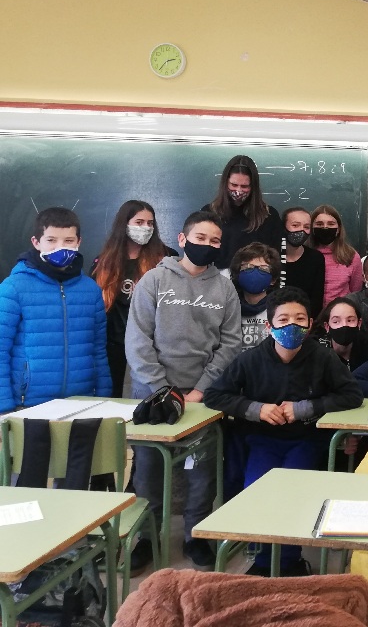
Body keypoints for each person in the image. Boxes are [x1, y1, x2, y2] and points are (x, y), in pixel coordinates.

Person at [205, 287, 364, 576]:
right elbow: (215, 395)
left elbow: (352, 395)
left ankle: (288, 561)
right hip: (262, 440)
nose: (292, 325)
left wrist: (305, 408)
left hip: (305, 440)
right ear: (269, 326)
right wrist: (256, 409)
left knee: (293, 493)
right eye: (283, 319)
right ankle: (265, 560)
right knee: (257, 491)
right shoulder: (251, 359)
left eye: (300, 319)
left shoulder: (323, 357)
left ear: (311, 323)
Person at [126, 210, 243, 571]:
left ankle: (196, 537)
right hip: (153, 396)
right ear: (182, 239)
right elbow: (138, 340)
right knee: (147, 471)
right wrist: (164, 391)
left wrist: (202, 389)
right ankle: (146, 538)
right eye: (200, 238)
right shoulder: (153, 280)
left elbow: (230, 343)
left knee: (201, 471)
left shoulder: (224, 287)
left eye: (215, 241)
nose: (207, 245)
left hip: (202, 398)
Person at [0, 207, 110, 413]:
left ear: (79, 242)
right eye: (51, 240)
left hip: (83, 404)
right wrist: (3, 407)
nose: (60, 247)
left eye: (68, 240)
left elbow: (98, 350)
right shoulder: (13, 287)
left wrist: (104, 398)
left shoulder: (91, 290)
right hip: (28, 406)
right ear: (36, 242)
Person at [91, 200, 176, 397]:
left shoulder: (167, 258)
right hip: (113, 346)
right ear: (124, 224)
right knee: (113, 399)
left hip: (153, 347)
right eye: (139, 222)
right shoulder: (103, 263)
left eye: (150, 223)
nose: (145, 228)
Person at [203, 155, 283, 271]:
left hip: (255, 276)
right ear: (226, 183)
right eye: (234, 185)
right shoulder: (209, 212)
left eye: (245, 186)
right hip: (217, 276)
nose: (239, 191)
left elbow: (275, 258)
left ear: (253, 187)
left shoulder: (269, 215)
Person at [229, 242, 280, 350]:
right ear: (238, 274)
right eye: (248, 267)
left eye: (263, 269)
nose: (255, 272)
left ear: (273, 280)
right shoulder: (228, 307)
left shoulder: (279, 309)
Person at [311, 204, 362, 304]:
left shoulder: (351, 256)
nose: (325, 227)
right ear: (312, 227)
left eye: (331, 224)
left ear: (338, 229)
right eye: (319, 224)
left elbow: (356, 293)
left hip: (342, 311)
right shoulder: (304, 253)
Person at [313, 296, 368, 373]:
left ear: (359, 323)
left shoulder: (367, 345)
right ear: (327, 326)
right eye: (336, 321)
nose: (344, 325)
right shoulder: (317, 351)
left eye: (350, 320)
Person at [278, 207, 325, 314]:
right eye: (295, 225)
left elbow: (316, 300)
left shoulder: (316, 258)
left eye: (306, 227)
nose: (301, 230)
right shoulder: (271, 257)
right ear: (283, 227)